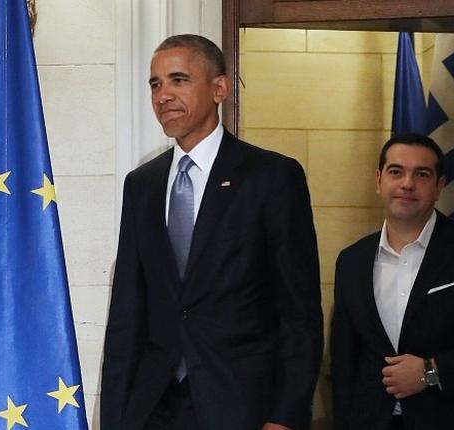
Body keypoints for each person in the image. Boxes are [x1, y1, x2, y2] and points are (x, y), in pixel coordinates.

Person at [101, 34, 323, 430]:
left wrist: (286, 415)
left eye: (179, 80)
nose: (163, 95)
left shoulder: (271, 177)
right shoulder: (142, 184)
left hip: (242, 406)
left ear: (219, 88)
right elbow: (127, 314)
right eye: (155, 84)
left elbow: (298, 312)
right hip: (154, 408)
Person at [330, 133, 454, 430]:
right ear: (379, 180)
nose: (407, 183)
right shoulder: (351, 261)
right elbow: (344, 364)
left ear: (439, 186)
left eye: (421, 174)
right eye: (396, 172)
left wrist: (431, 371)